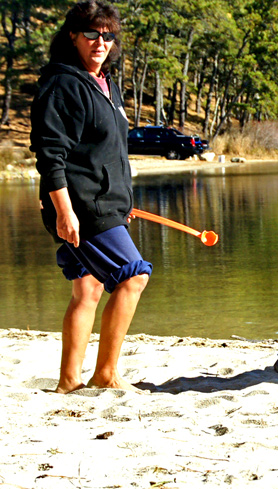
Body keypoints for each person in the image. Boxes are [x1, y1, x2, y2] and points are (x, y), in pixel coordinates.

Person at [30, 0, 151, 393]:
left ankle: (68, 382)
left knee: (88, 286)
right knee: (134, 275)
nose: (101, 42)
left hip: (106, 204)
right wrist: (64, 212)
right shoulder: (62, 83)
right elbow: (51, 154)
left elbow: (108, 152)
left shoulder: (107, 84)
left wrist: (122, 202)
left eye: (107, 35)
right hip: (80, 206)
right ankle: (106, 374)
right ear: (73, 37)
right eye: (91, 34)